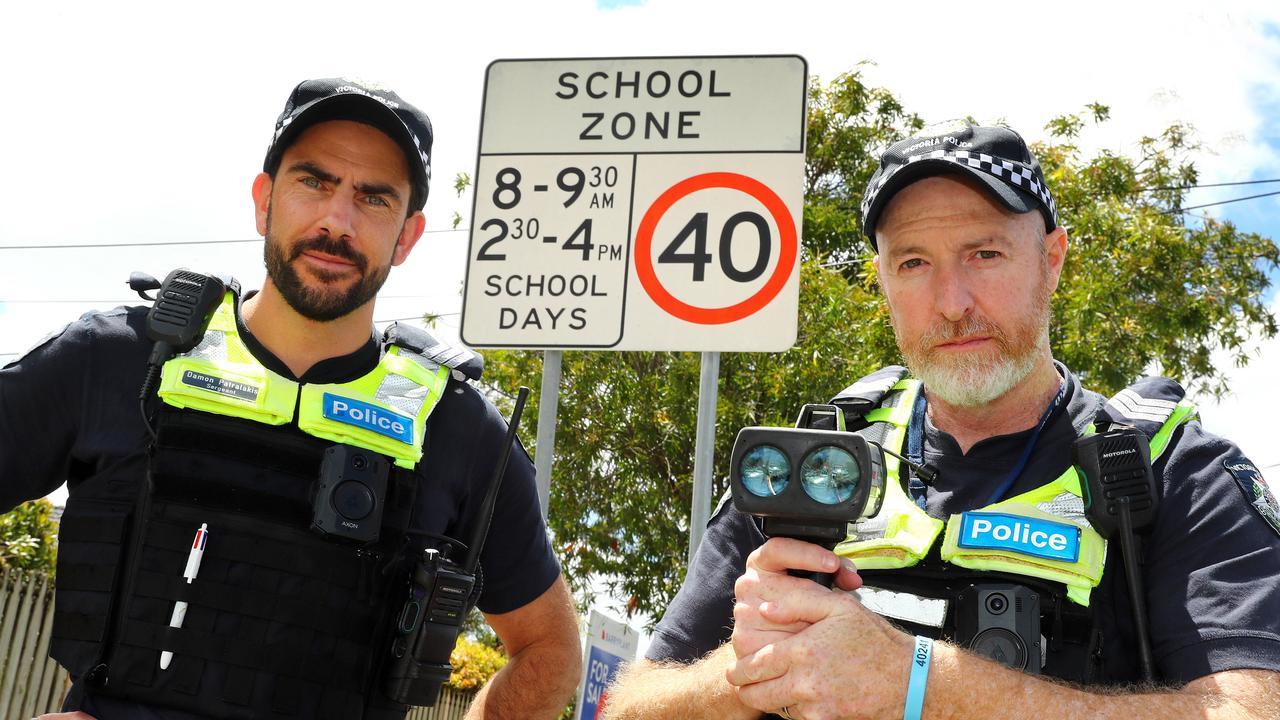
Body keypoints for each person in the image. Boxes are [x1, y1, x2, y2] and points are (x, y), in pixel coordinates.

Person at [603, 123, 1280, 719]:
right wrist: (747, 674)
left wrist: (923, 684)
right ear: (883, 281)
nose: (952, 303)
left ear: (1051, 260)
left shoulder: (1171, 469)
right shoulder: (812, 461)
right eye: (914, 263)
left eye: (985, 254)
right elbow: (630, 706)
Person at [2, 78, 581, 720]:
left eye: (373, 198)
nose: (338, 220)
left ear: (407, 237)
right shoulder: (118, 357)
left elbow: (550, 649)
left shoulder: (460, 431)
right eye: (315, 181)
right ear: (264, 199)